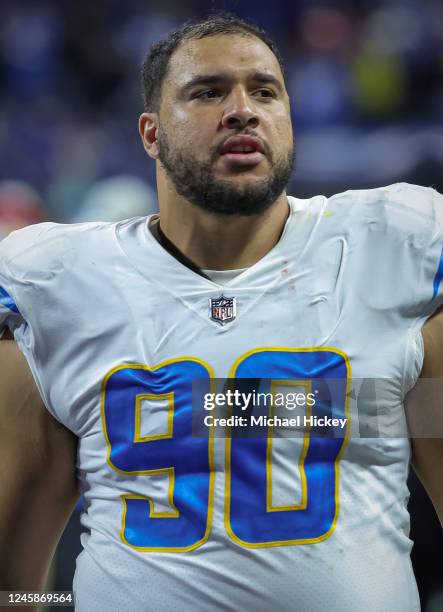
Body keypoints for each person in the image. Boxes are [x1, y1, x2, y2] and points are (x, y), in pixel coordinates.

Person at [0, 13, 442, 612]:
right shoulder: (54, 283)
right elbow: (15, 586)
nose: (243, 109)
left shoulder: (397, 246)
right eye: (207, 92)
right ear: (150, 134)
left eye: (265, 91)